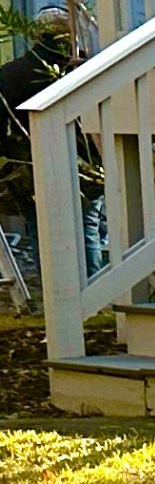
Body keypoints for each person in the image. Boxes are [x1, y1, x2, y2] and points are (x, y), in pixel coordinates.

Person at [0, 16, 76, 313]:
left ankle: (55, 296)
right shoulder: (75, 70)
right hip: (80, 154)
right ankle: (91, 288)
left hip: (28, 156)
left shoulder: (12, 73)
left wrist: (7, 150)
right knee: (87, 225)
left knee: (39, 224)